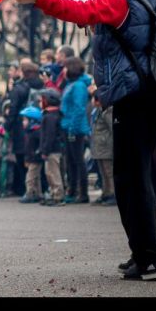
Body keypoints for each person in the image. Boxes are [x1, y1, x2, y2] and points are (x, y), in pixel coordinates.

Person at [15, 0, 156, 281]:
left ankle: (150, 257)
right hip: (142, 94)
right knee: (130, 176)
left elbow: (81, 11)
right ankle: (141, 253)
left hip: (137, 97)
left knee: (133, 178)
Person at [7, 62, 44, 197]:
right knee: (36, 160)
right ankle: (39, 190)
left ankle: (27, 189)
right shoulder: (42, 85)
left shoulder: (20, 88)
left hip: (21, 126)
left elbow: (13, 109)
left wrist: (7, 126)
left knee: (23, 159)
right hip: (39, 124)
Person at [60, 57, 92, 204]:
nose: (63, 70)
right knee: (71, 161)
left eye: (65, 67)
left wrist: (72, 128)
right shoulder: (71, 84)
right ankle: (72, 191)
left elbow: (79, 109)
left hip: (75, 128)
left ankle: (82, 193)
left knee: (78, 161)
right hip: (69, 126)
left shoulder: (78, 86)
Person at [90, 87, 116, 206]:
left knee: (109, 172)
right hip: (99, 147)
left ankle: (113, 194)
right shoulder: (98, 111)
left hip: (106, 147)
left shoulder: (108, 111)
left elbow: (112, 128)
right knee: (103, 172)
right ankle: (106, 193)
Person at [39, 94, 66, 206]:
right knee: (50, 173)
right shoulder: (54, 115)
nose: (40, 103)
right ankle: (54, 194)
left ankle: (58, 196)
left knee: (53, 174)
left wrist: (45, 151)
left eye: (42, 100)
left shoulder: (50, 116)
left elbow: (49, 136)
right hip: (54, 149)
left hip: (52, 150)